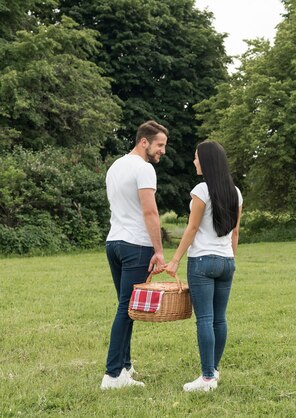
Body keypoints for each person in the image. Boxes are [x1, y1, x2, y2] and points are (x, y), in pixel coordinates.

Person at [165, 141, 243, 392]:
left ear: (207, 161)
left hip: (202, 262)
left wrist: (175, 259)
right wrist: (231, 260)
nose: (194, 162)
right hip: (226, 261)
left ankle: (207, 378)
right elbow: (235, 232)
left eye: (197, 158)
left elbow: (192, 228)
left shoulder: (201, 190)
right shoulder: (236, 192)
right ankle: (214, 371)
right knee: (219, 319)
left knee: (205, 320)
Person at [100, 120, 168, 390]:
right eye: (160, 145)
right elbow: (149, 211)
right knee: (126, 310)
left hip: (114, 243)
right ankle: (112, 375)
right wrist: (159, 251)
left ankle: (125, 368)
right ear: (144, 142)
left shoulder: (115, 166)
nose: (162, 150)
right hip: (135, 246)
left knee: (126, 308)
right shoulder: (144, 168)